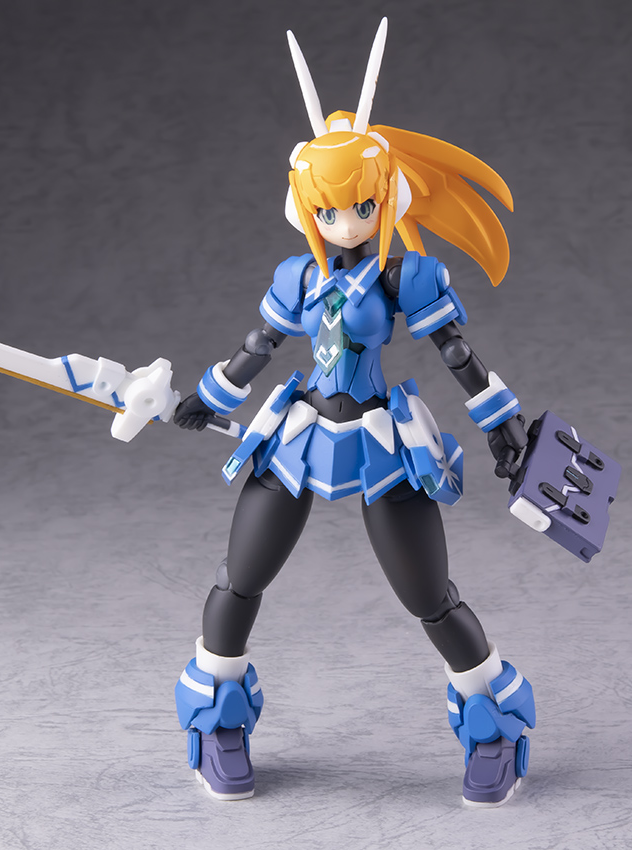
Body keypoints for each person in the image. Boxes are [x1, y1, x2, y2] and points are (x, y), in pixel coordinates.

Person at [173, 19, 535, 807]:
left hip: (380, 443)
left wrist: (502, 427)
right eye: (329, 210)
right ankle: (216, 717)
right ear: (305, 206)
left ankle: (493, 724)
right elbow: (257, 346)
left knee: (429, 597)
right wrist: (207, 398)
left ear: (384, 197)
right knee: (239, 581)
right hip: (298, 436)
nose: (345, 223)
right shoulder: (297, 277)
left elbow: (458, 354)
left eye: (360, 206)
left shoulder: (408, 278)